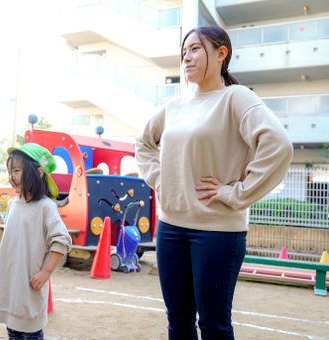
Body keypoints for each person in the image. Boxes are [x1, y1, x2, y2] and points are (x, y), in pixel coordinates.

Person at [135, 26, 293, 339]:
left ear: (221, 54)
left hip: (218, 232)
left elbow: (279, 146)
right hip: (170, 228)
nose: (187, 58)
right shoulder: (175, 107)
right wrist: (158, 179)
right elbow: (143, 144)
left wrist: (237, 193)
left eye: (195, 49)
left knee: (214, 326)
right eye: (184, 52)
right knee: (177, 322)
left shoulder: (235, 97)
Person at [0, 143, 72, 340]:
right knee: (13, 331)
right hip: (11, 283)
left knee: (31, 332)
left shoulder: (46, 207)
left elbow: (61, 241)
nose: (11, 176)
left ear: (39, 172)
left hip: (30, 284)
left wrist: (46, 272)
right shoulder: (12, 204)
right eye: (9, 171)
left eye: (16, 170)